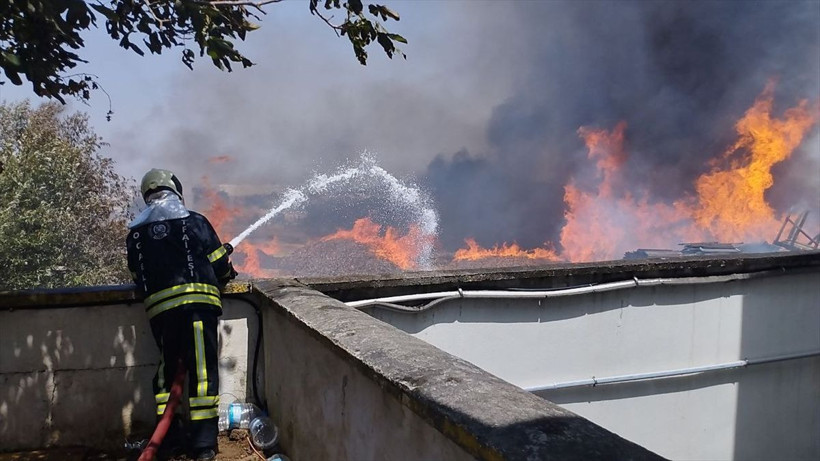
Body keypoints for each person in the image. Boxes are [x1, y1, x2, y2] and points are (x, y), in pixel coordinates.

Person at [127, 168, 236, 461]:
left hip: (161, 313)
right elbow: (219, 264)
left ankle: (170, 438)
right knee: (201, 370)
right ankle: (203, 444)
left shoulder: (135, 234)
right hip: (198, 307)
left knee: (166, 372)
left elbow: (138, 274)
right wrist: (227, 270)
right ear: (175, 190)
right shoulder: (195, 221)